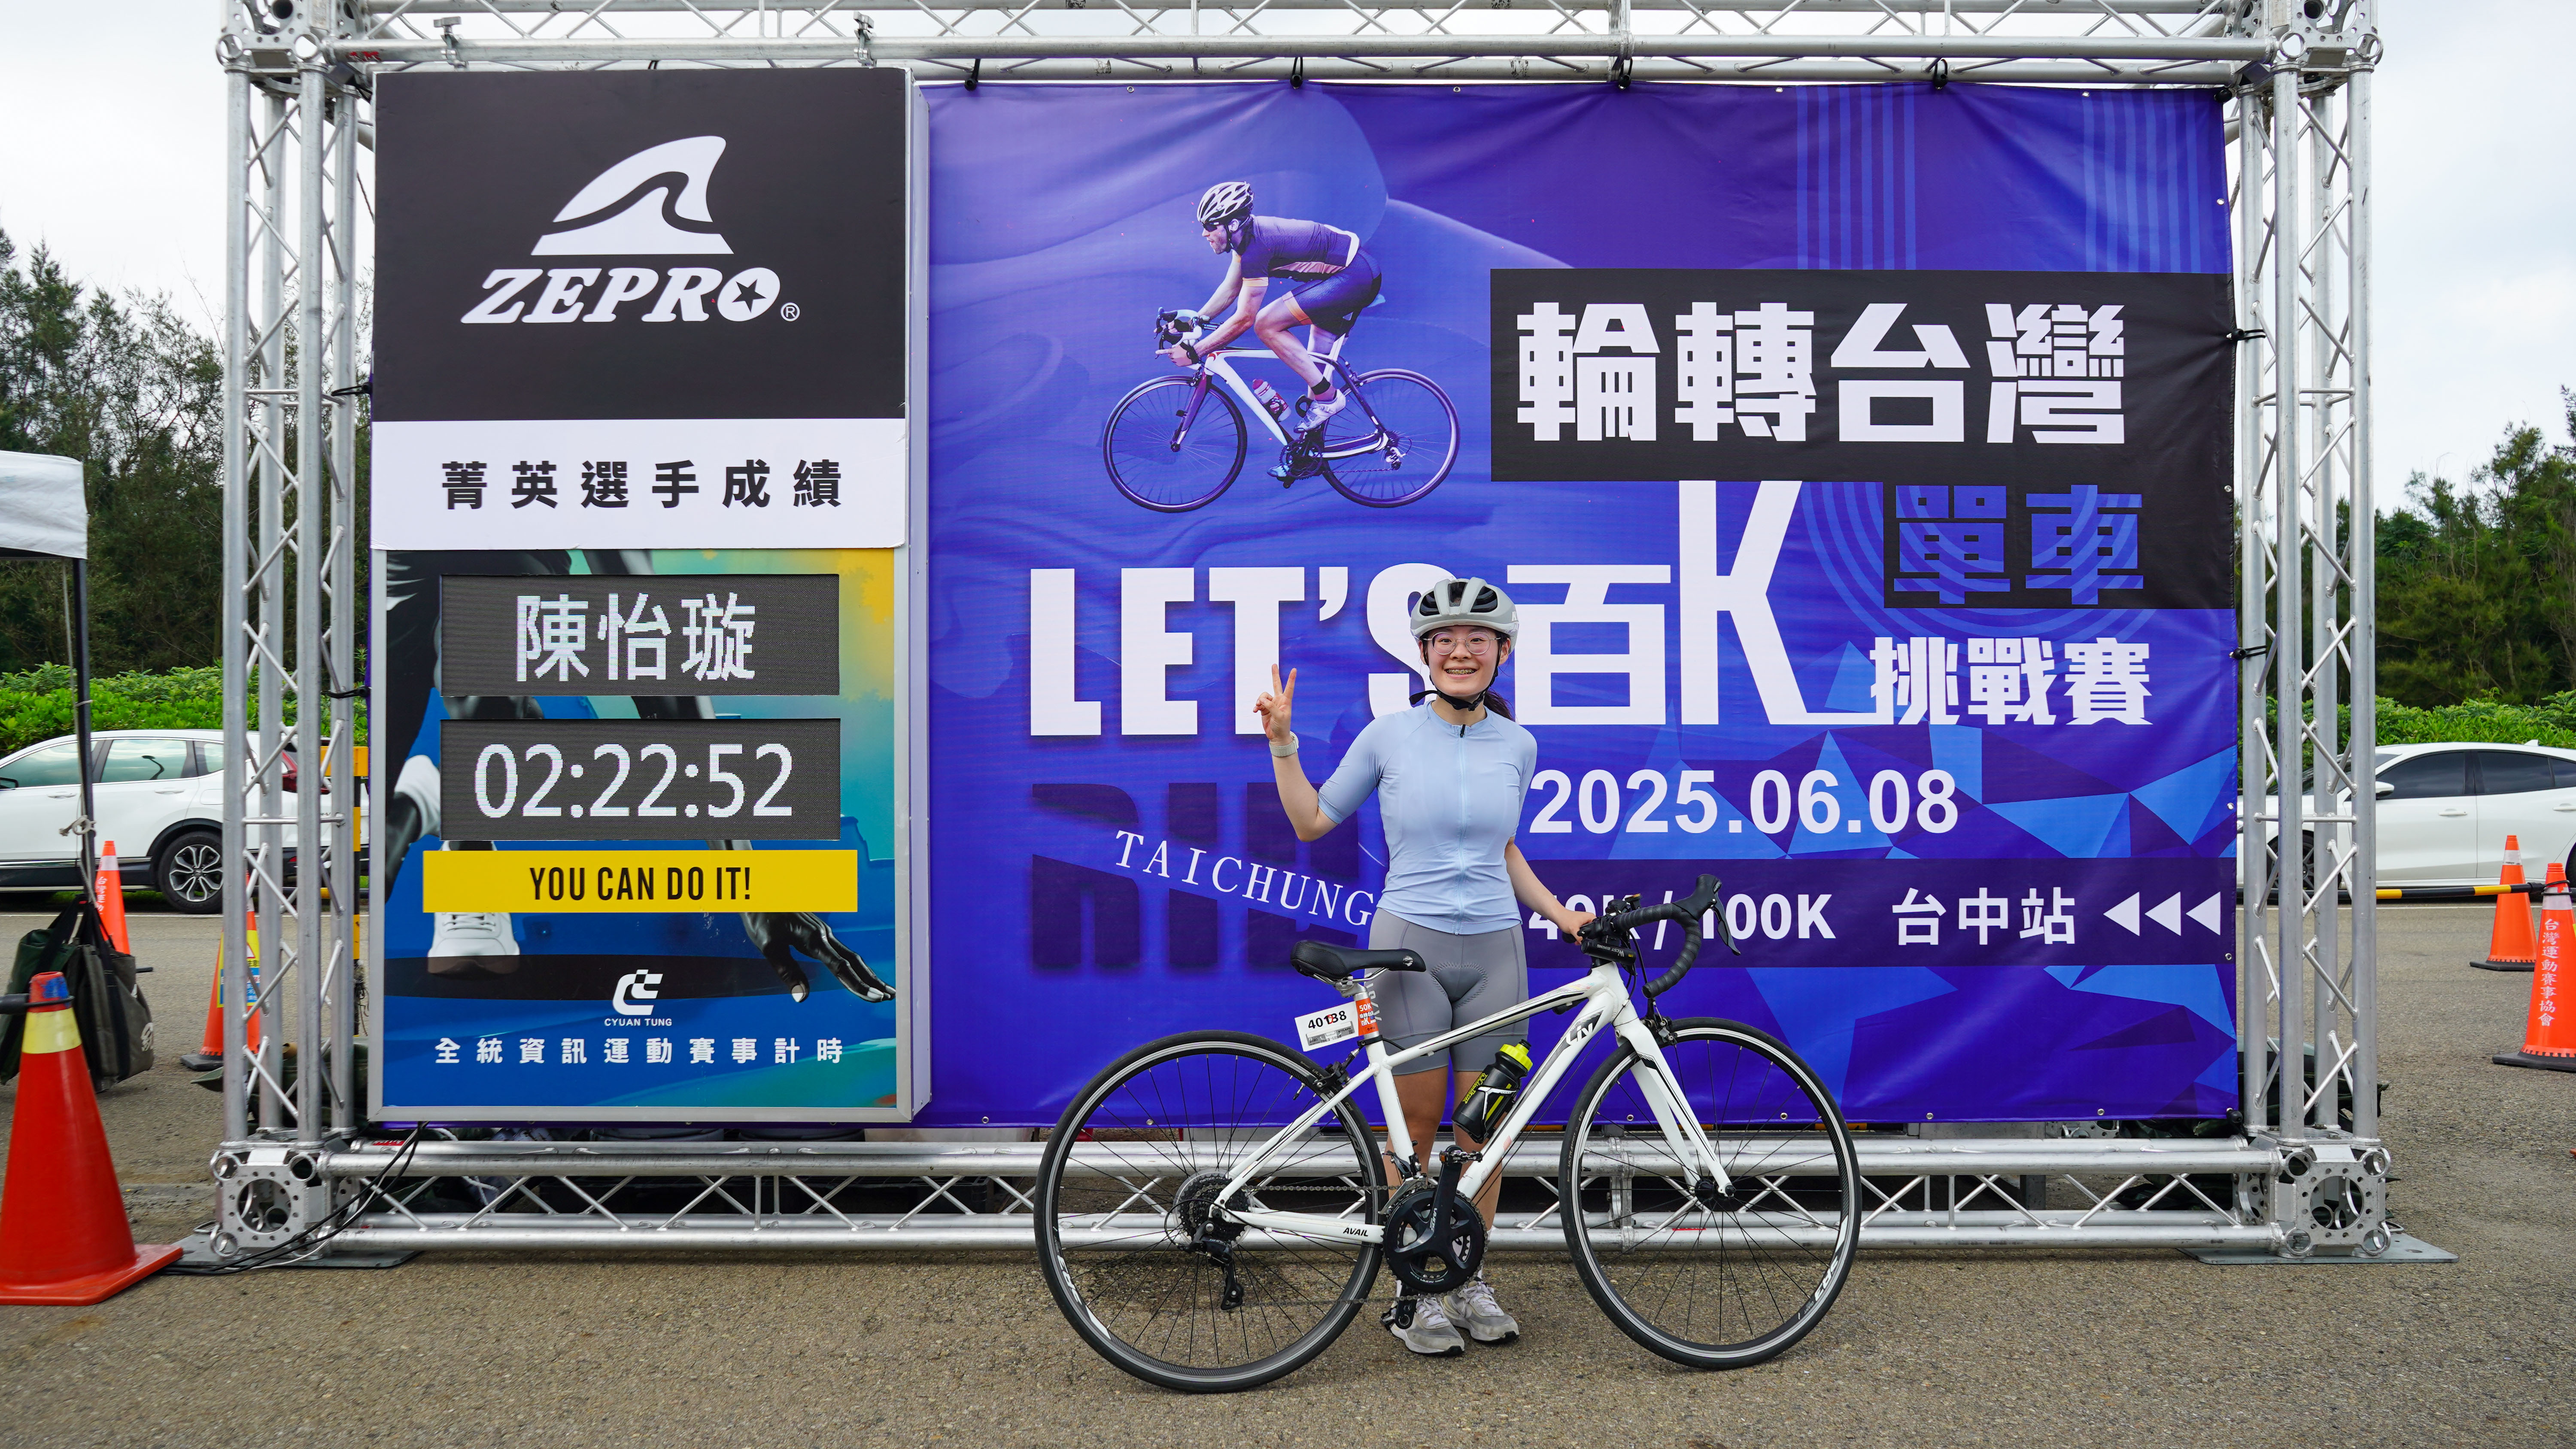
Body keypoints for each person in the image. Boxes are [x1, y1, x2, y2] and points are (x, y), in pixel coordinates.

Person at [1251, 575, 1594, 1359]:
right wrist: (1283, 742)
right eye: (1444, 640)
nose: (1460, 651)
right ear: (1425, 654)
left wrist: (1561, 914)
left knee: (1486, 1132)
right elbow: (1311, 821)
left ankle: (1467, 1275)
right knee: (1412, 1131)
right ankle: (1417, 1288)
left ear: (1502, 653)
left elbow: (1503, 850)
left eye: (1477, 639)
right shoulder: (1389, 735)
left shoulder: (1519, 744)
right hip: (1412, 949)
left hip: (1498, 950)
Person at [1165, 181, 1382, 436]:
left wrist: (1196, 351)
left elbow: (1245, 319)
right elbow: (1230, 290)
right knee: (1314, 376)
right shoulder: (1245, 241)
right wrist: (1194, 321)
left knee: (1266, 324)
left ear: (1232, 225)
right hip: (1349, 274)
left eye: (1211, 226)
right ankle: (1312, 446)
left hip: (1354, 277)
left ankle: (1329, 398)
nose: (1205, 233)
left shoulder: (1256, 248)